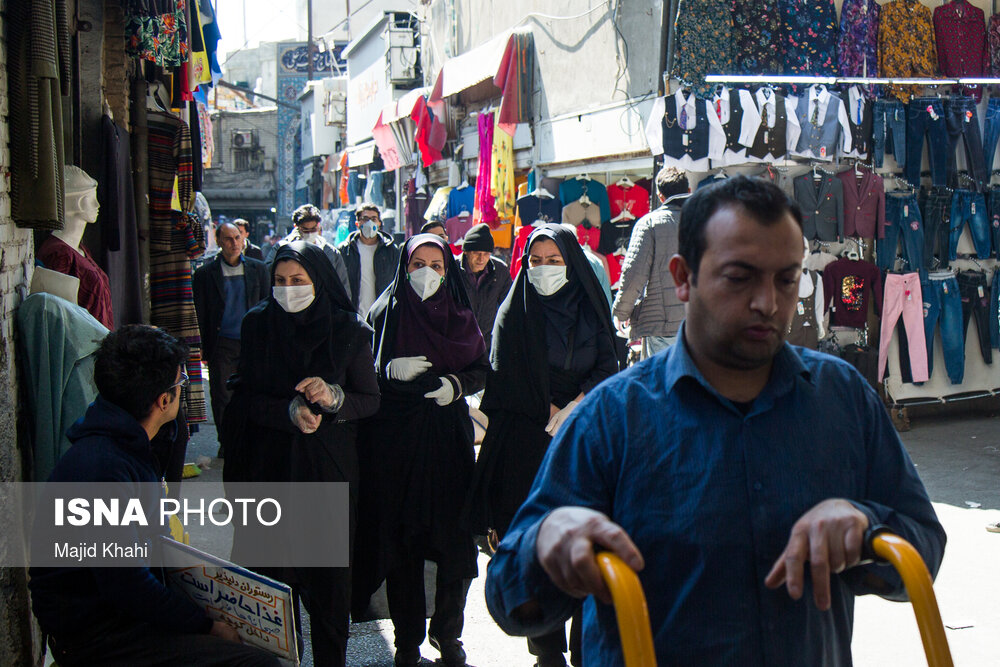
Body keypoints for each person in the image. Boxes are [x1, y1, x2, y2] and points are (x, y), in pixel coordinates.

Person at [484, 177, 946, 666]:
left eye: (786, 279)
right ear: (682, 277)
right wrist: (547, 545)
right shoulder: (612, 418)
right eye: (738, 276)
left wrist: (865, 529)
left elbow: (924, 539)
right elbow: (508, 596)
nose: (767, 302)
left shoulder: (843, 398)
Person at [28, 325, 279, 667]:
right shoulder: (105, 470)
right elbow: (127, 584)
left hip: (117, 613)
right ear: (164, 400)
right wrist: (205, 624)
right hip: (96, 636)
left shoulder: (123, 440)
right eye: (181, 385)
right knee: (257, 662)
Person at [465, 224, 619, 667]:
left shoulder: (590, 309)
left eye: (554, 261)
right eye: (536, 261)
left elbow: (610, 362)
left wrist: (578, 403)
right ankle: (546, 649)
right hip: (527, 444)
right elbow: (502, 378)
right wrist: (543, 405)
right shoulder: (515, 312)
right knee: (539, 547)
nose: (544, 269)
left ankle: (586, 644)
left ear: (571, 263)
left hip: (584, 439)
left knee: (587, 543)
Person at [222, 241, 380, 667]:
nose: (287, 289)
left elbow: (370, 399)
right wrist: (286, 411)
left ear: (319, 281)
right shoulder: (257, 325)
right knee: (272, 591)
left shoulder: (349, 330)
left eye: (297, 281)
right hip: (267, 472)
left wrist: (333, 398)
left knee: (329, 594)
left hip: (326, 476)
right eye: (279, 281)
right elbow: (243, 397)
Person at [353, 234, 489, 667]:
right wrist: (387, 369)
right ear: (403, 267)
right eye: (417, 265)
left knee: (453, 546)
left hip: (448, 443)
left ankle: (448, 634)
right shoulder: (383, 313)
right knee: (404, 544)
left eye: (436, 265)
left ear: (447, 270)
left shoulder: (462, 316)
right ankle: (407, 637)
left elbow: (482, 368)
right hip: (396, 444)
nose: (426, 273)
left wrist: (458, 386)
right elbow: (362, 372)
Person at [192, 222, 269, 458]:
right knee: (222, 396)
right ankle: (227, 442)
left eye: (237, 237)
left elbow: (267, 305)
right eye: (228, 239)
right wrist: (203, 348)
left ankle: (250, 439)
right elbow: (200, 312)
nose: (234, 243)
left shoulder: (258, 269)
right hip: (221, 343)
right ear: (219, 241)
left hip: (251, 342)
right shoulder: (206, 274)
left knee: (253, 391)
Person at [612, 166, 690, 359]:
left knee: (661, 385)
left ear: (659, 195)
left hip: (661, 327)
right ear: (688, 191)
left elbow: (634, 275)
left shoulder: (649, 224)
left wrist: (621, 312)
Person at [271, 204, 352, 302]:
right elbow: (270, 276)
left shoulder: (330, 252)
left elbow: (343, 285)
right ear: (296, 227)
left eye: (313, 229)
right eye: (305, 230)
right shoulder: (282, 249)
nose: (309, 234)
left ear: (319, 226)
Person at [456, 223, 513, 351]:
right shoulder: (452, 270)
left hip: (487, 345)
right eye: (476, 253)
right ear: (466, 252)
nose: (481, 259)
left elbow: (509, 307)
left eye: (486, 254)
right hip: (457, 344)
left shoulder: (500, 271)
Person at [336, 203, 398, 317]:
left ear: (379, 223)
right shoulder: (345, 250)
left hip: (381, 314)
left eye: (373, 219)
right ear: (357, 223)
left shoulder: (390, 251)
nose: (370, 223)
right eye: (365, 219)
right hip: (355, 315)